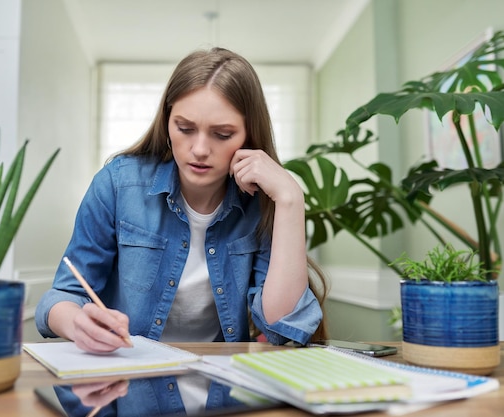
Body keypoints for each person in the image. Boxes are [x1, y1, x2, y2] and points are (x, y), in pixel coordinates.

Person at [35, 47, 328, 355]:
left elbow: (281, 326)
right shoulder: (117, 184)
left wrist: (291, 199)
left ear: (249, 136)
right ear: (167, 121)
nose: (200, 149)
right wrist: (76, 322)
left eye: (223, 134)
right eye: (185, 128)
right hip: (128, 380)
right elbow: (61, 296)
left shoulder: (261, 201)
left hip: (221, 385)